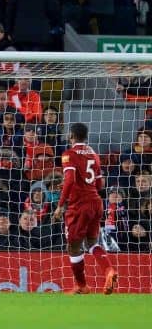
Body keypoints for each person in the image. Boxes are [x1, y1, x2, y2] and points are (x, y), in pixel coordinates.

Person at [53, 123, 118, 295]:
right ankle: (108, 270)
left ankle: (81, 286)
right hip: (96, 203)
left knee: (73, 247)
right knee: (91, 243)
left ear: (71, 136)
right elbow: (99, 184)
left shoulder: (69, 154)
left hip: (79, 206)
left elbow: (70, 180)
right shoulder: (93, 154)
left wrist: (60, 205)